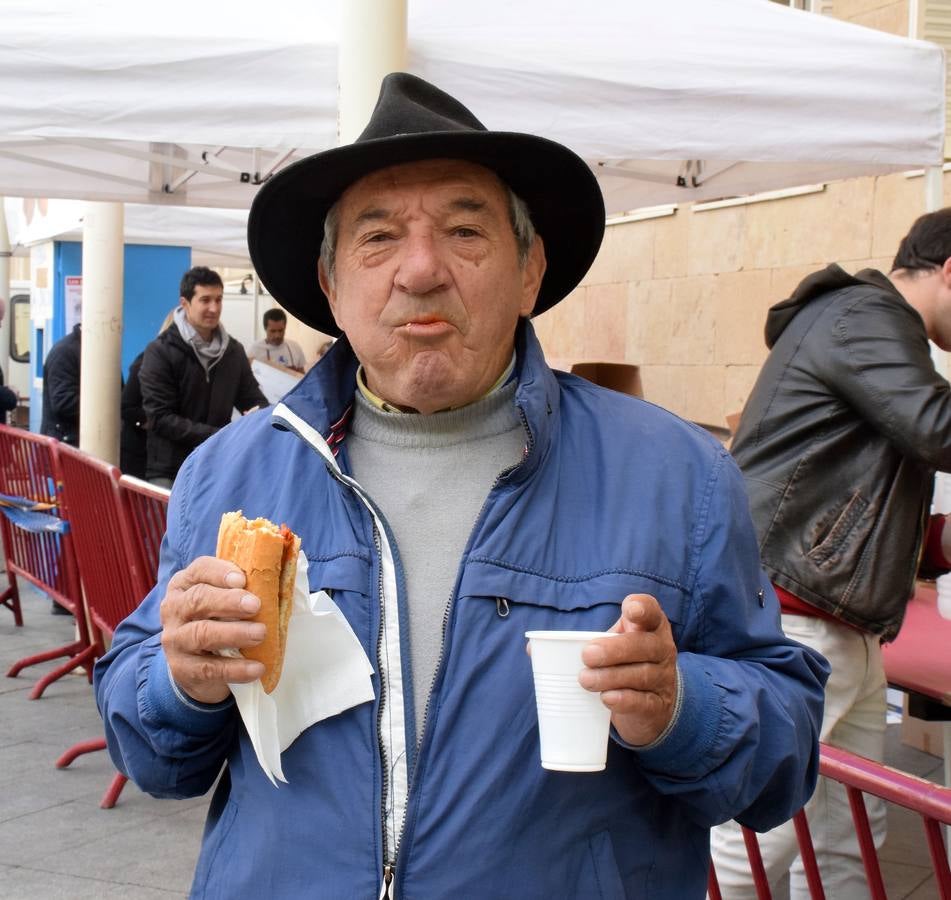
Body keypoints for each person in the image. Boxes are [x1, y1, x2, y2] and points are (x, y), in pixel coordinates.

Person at [95, 73, 827, 899]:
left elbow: (782, 762)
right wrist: (179, 679)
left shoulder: (676, 475)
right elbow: (151, 753)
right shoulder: (229, 476)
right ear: (332, 288)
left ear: (529, 271)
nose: (420, 270)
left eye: (464, 230)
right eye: (377, 238)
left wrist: (680, 707)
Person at [711, 208, 951, 899]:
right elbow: (937, 429)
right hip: (798, 615)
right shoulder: (864, 315)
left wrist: (934, 544)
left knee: (844, 835)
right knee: (757, 840)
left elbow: (870, 507)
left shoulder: (870, 328)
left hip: (837, 618)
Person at [137, 266, 267, 488]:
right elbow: (160, 418)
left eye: (218, 299)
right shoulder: (160, 351)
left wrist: (262, 414)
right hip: (170, 471)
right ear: (185, 303)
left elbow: (252, 399)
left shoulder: (233, 351)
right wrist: (220, 435)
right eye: (205, 300)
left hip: (216, 465)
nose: (214, 308)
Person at [39, 323, 81, 445]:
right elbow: (62, 401)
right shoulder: (64, 351)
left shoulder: (100, 351)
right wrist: (103, 406)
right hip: (65, 442)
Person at [246, 308, 306, 372]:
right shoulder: (254, 350)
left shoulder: (295, 347)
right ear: (265, 329)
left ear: (285, 327)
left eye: (280, 330)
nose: (277, 335)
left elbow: (302, 375)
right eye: (273, 331)